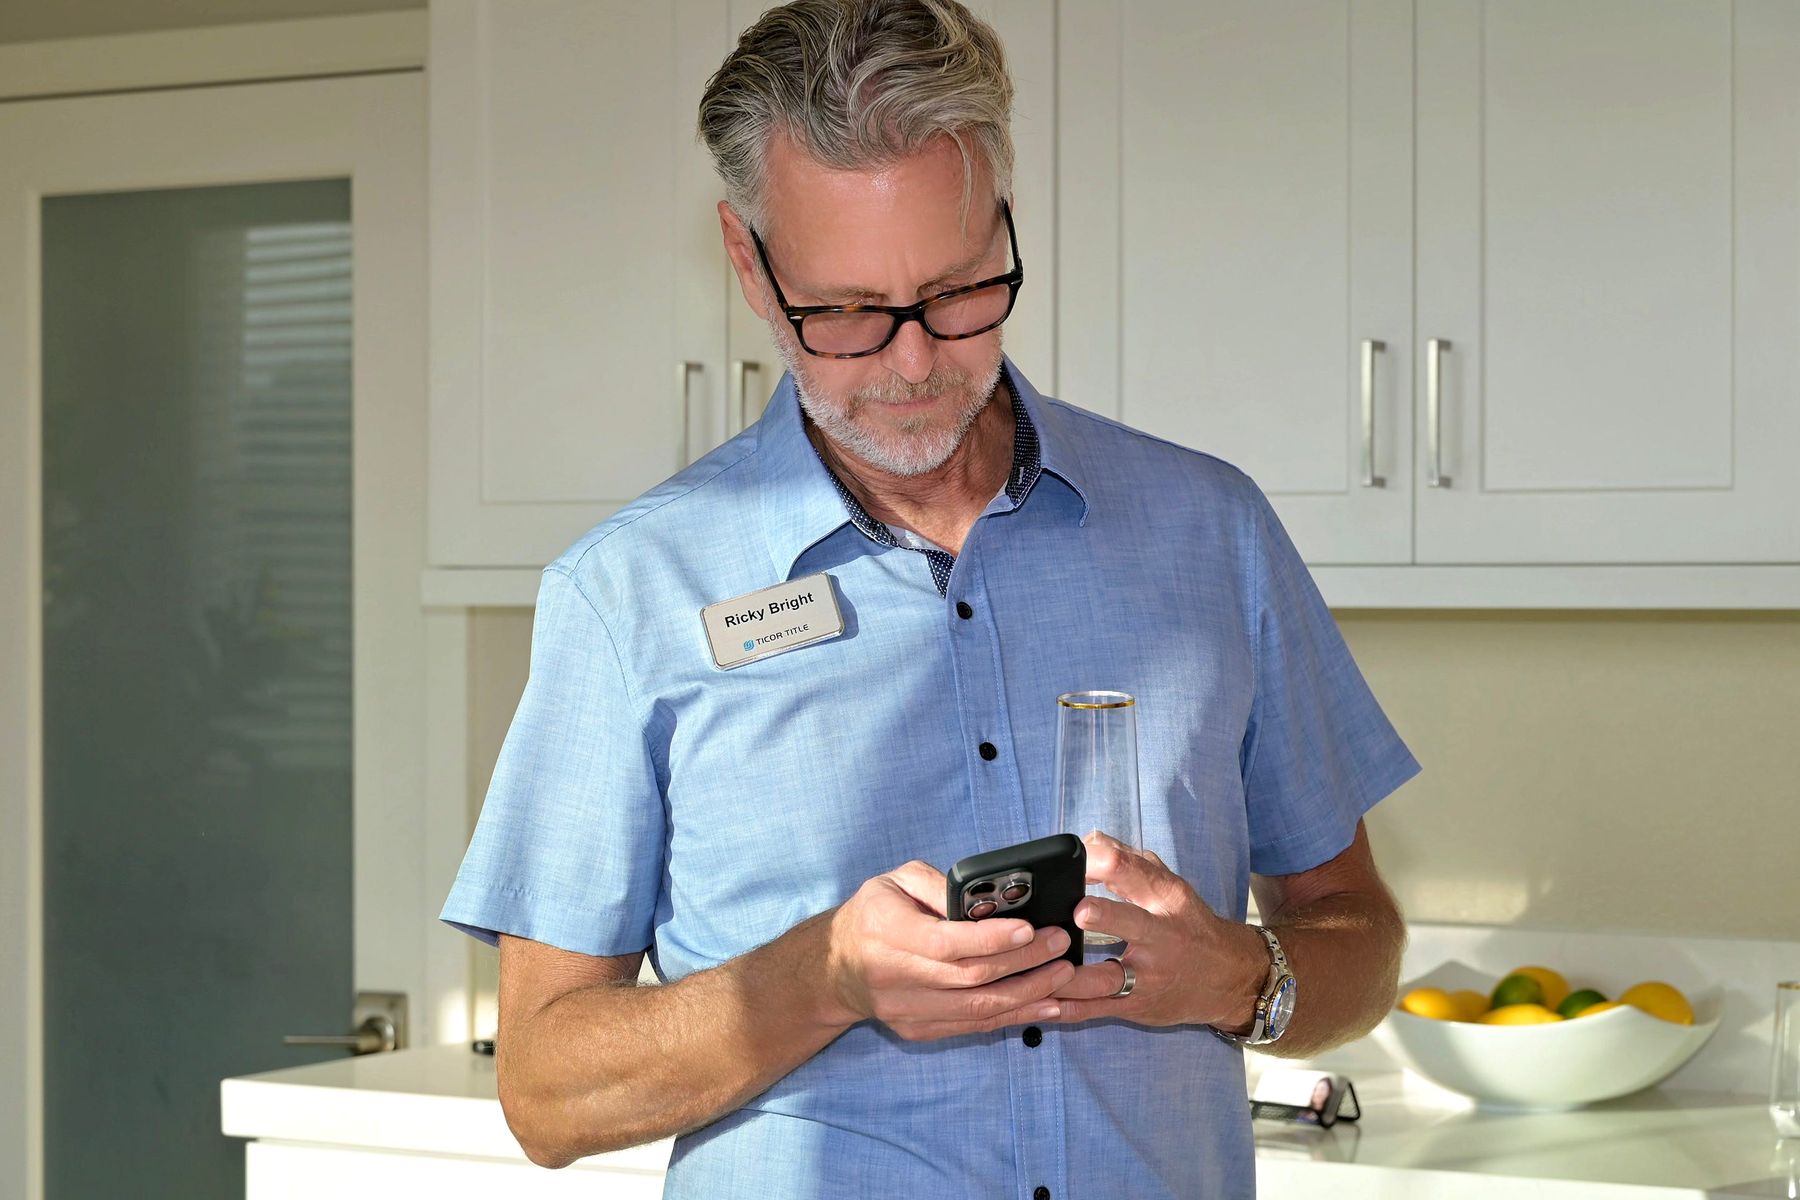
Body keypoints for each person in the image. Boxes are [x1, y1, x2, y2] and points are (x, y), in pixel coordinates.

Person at [440, 2, 1419, 1196]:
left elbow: (1359, 936)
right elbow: (545, 1093)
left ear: (1005, 218)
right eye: (848, 310)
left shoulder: (1212, 531)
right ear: (748, 263)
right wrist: (823, 979)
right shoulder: (630, 593)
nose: (913, 364)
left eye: (957, 291)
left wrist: (1240, 977)